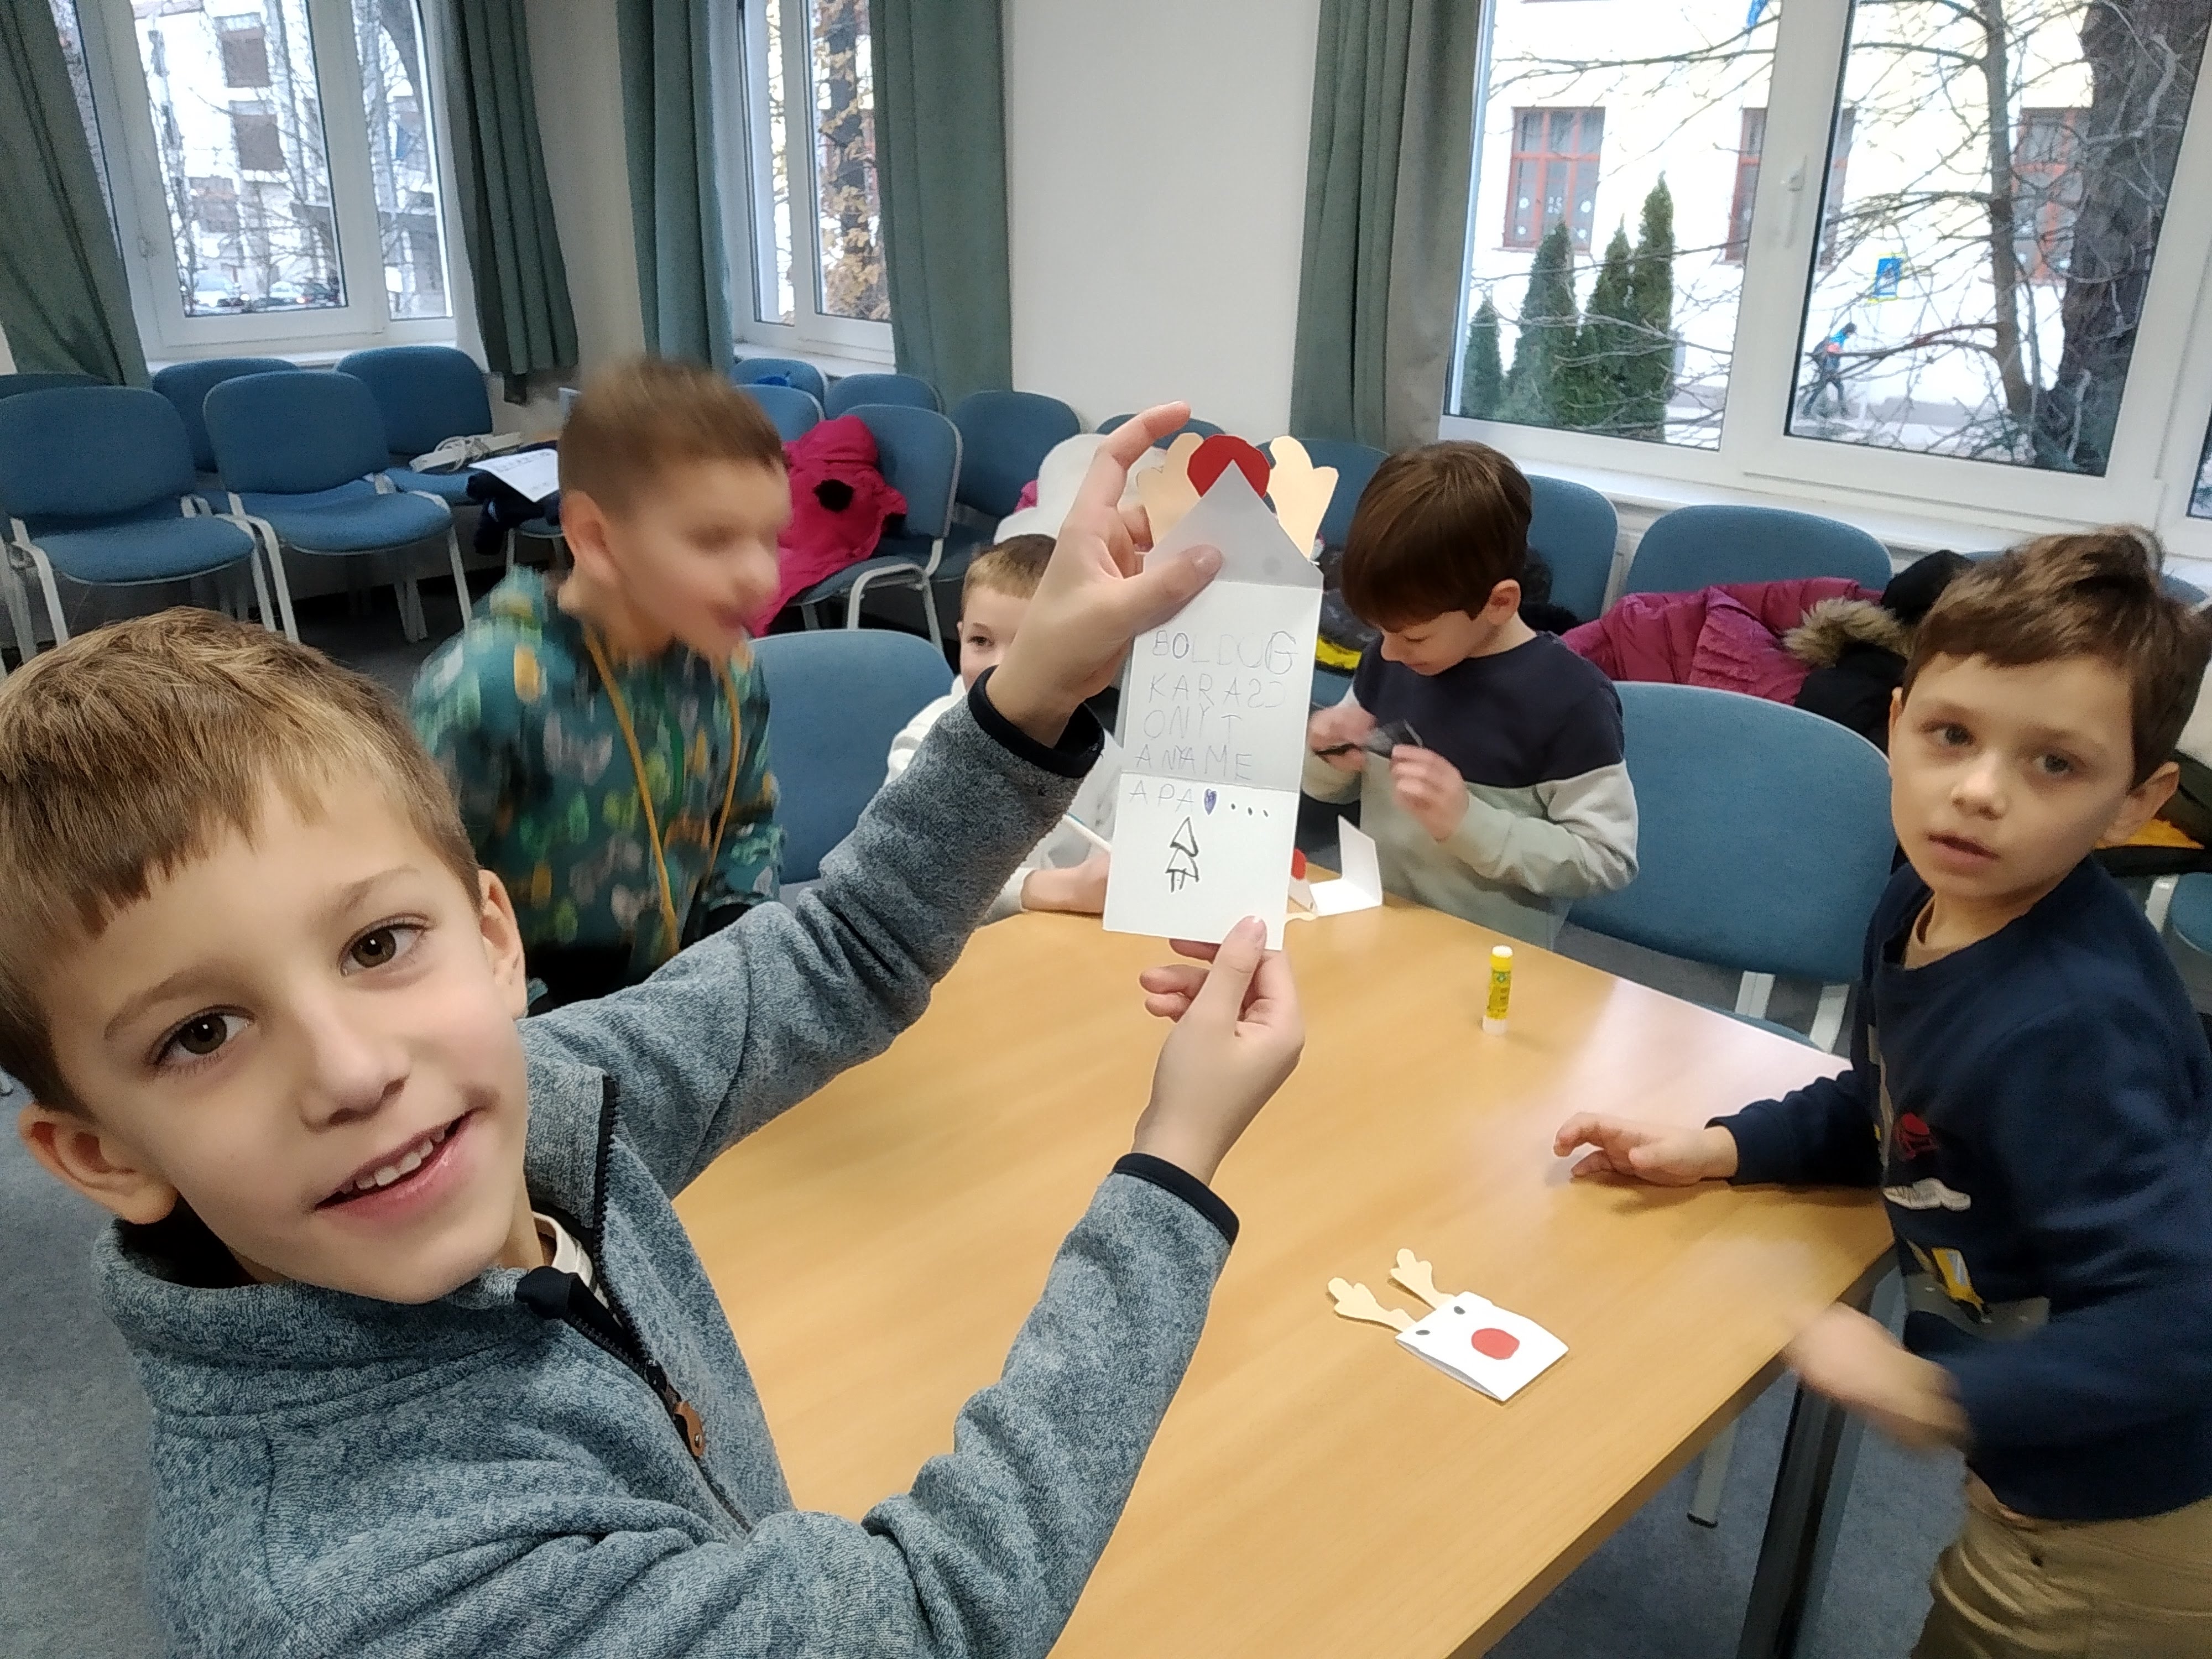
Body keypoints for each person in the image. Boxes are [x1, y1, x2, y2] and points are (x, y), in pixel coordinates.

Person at [2, 405, 1303, 1658]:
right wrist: (1171, 1168)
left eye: (379, 946)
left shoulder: (540, 1103)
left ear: (495, 938)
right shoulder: (366, 1595)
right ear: (105, 1155)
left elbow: (839, 947)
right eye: (203, 1034)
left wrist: (1034, 688)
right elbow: (929, 1621)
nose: (354, 1072)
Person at [1556, 529, 2212, 1658]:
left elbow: (2184, 1317)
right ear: (1897, 722)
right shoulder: (1921, 902)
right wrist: (1723, 1146)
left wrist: (1939, 1398)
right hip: (2045, 1463)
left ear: (2133, 799)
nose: (1978, 792)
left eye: (2054, 764)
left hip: (2116, 1522)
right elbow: (1895, 1109)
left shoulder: (2074, 1027)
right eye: (1952, 735)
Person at [409, 357, 787, 1010]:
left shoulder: (728, 664)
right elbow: (426, 893)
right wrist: (534, 1013)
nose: (764, 577)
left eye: (771, 538)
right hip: (537, 1030)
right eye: (714, 540)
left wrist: (733, 948)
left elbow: (749, 822)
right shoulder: (484, 689)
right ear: (596, 539)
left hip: (687, 1013)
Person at [1302, 441, 1637, 947]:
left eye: (1414, 637)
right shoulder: (1392, 658)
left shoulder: (1571, 700)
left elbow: (1606, 859)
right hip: (1383, 932)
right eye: (1380, 630)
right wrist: (1327, 754)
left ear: (1499, 603)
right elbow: (1338, 788)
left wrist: (1467, 822)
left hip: (1491, 961)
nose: (1388, 652)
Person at [886, 533, 1117, 919]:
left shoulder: (1098, 749)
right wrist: (1060, 889)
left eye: (1028, 646)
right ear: (960, 635)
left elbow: (1116, 864)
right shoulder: (924, 746)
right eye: (980, 641)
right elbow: (914, 881)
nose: (999, 668)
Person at [1801, 321, 1855, 419]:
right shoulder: (1840, 337)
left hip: (1829, 371)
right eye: (1851, 333)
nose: (1851, 335)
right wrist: (1839, 352)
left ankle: (1806, 410)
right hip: (1829, 371)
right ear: (1849, 331)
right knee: (1839, 388)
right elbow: (1831, 349)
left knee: (1818, 391)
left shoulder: (1840, 336)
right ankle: (1844, 413)